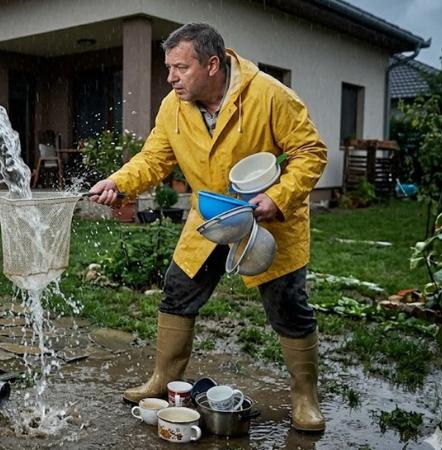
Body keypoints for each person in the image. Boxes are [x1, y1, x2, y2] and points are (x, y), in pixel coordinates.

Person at [89, 23, 327, 432]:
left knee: (288, 308)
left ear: (212, 64)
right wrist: (119, 182)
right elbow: (153, 160)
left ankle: (304, 395)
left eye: (180, 68)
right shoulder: (173, 107)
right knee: (178, 292)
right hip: (210, 218)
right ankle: (163, 379)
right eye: (169, 68)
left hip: (266, 220)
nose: (171, 78)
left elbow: (310, 152)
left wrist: (280, 197)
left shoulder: (270, 95)